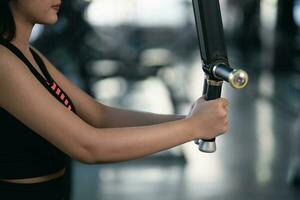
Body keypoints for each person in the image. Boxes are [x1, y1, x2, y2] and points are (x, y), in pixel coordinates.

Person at [0, 0, 229, 199]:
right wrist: (192, 127)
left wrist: (189, 120)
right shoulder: (3, 62)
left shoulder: (29, 53)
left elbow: (100, 116)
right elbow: (89, 147)